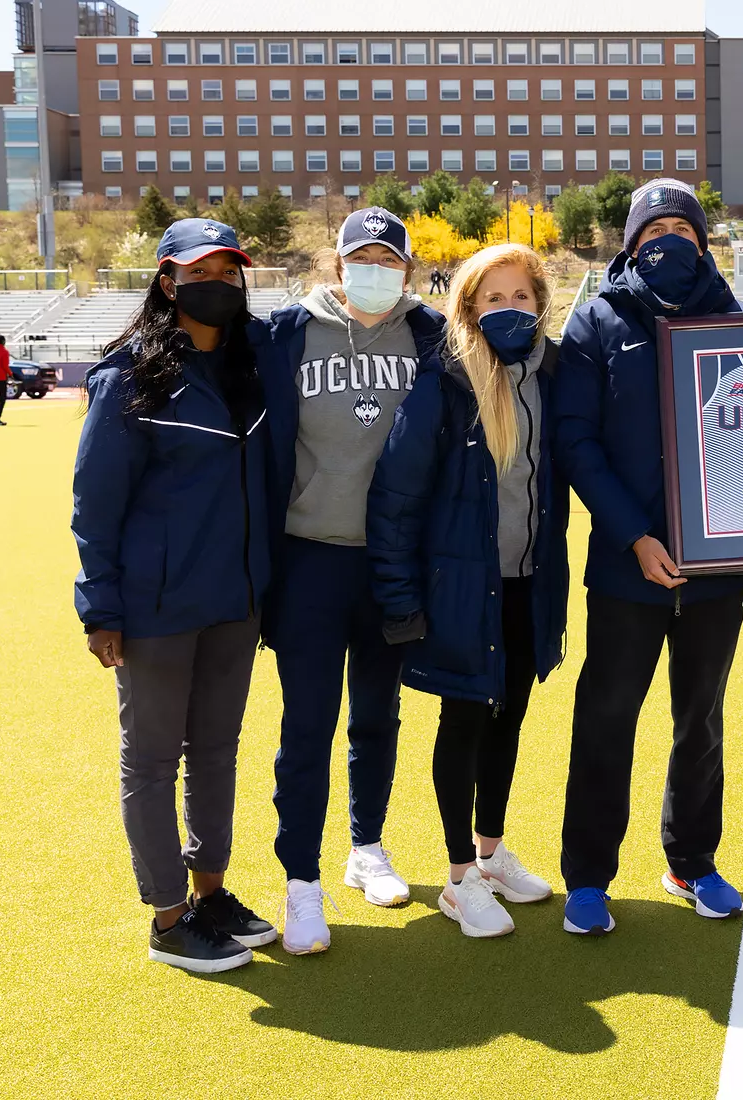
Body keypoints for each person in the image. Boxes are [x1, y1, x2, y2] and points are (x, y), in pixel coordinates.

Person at [70, 219, 279, 973]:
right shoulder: (127, 377)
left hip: (236, 601)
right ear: (166, 281)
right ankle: (167, 919)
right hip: (157, 608)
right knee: (153, 762)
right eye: (202, 271)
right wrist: (100, 607)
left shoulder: (254, 365)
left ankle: (212, 894)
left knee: (216, 753)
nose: (219, 284)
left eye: (231, 272)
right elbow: (94, 503)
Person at [553, 179, 743, 935]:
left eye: (684, 225)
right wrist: (636, 535)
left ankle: (691, 863)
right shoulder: (597, 320)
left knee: (699, 721)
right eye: (654, 227)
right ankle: (589, 878)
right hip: (623, 569)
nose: (670, 238)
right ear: (632, 241)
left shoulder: (735, 320)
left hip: (715, 575)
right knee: (605, 719)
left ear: (704, 240)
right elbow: (578, 440)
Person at [366, 243, 570, 939]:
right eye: (494, 298)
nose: (508, 310)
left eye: (521, 297)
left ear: (539, 305)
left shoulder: (555, 373)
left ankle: (490, 854)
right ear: (469, 307)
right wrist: (400, 598)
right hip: (460, 589)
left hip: (528, 583)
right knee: (465, 723)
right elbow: (396, 497)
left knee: (507, 717)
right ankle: (458, 880)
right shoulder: (442, 384)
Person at [263, 207, 448, 955]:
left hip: (392, 559)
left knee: (378, 716)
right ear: (337, 267)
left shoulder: (433, 336)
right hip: (309, 556)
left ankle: (366, 846)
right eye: (359, 257)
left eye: (388, 258)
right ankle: (300, 882)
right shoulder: (284, 334)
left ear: (406, 268)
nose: (374, 269)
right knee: (306, 724)